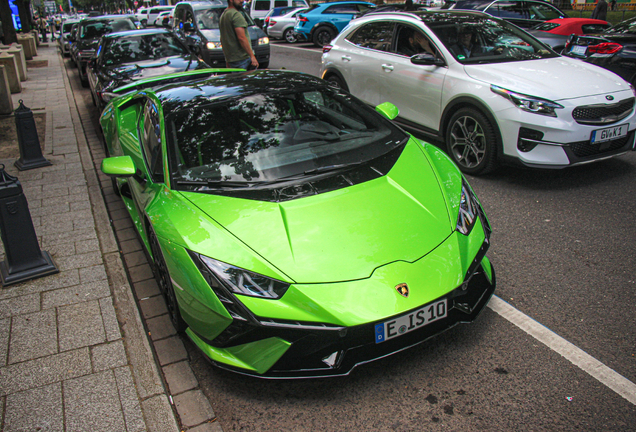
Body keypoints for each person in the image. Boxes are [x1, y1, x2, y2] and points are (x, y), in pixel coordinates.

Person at [219, 0, 258, 70]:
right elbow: (242, 37)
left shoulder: (224, 15)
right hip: (243, 59)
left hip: (232, 60)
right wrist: (252, 56)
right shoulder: (236, 15)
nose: (242, 0)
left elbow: (223, 39)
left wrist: (227, 59)